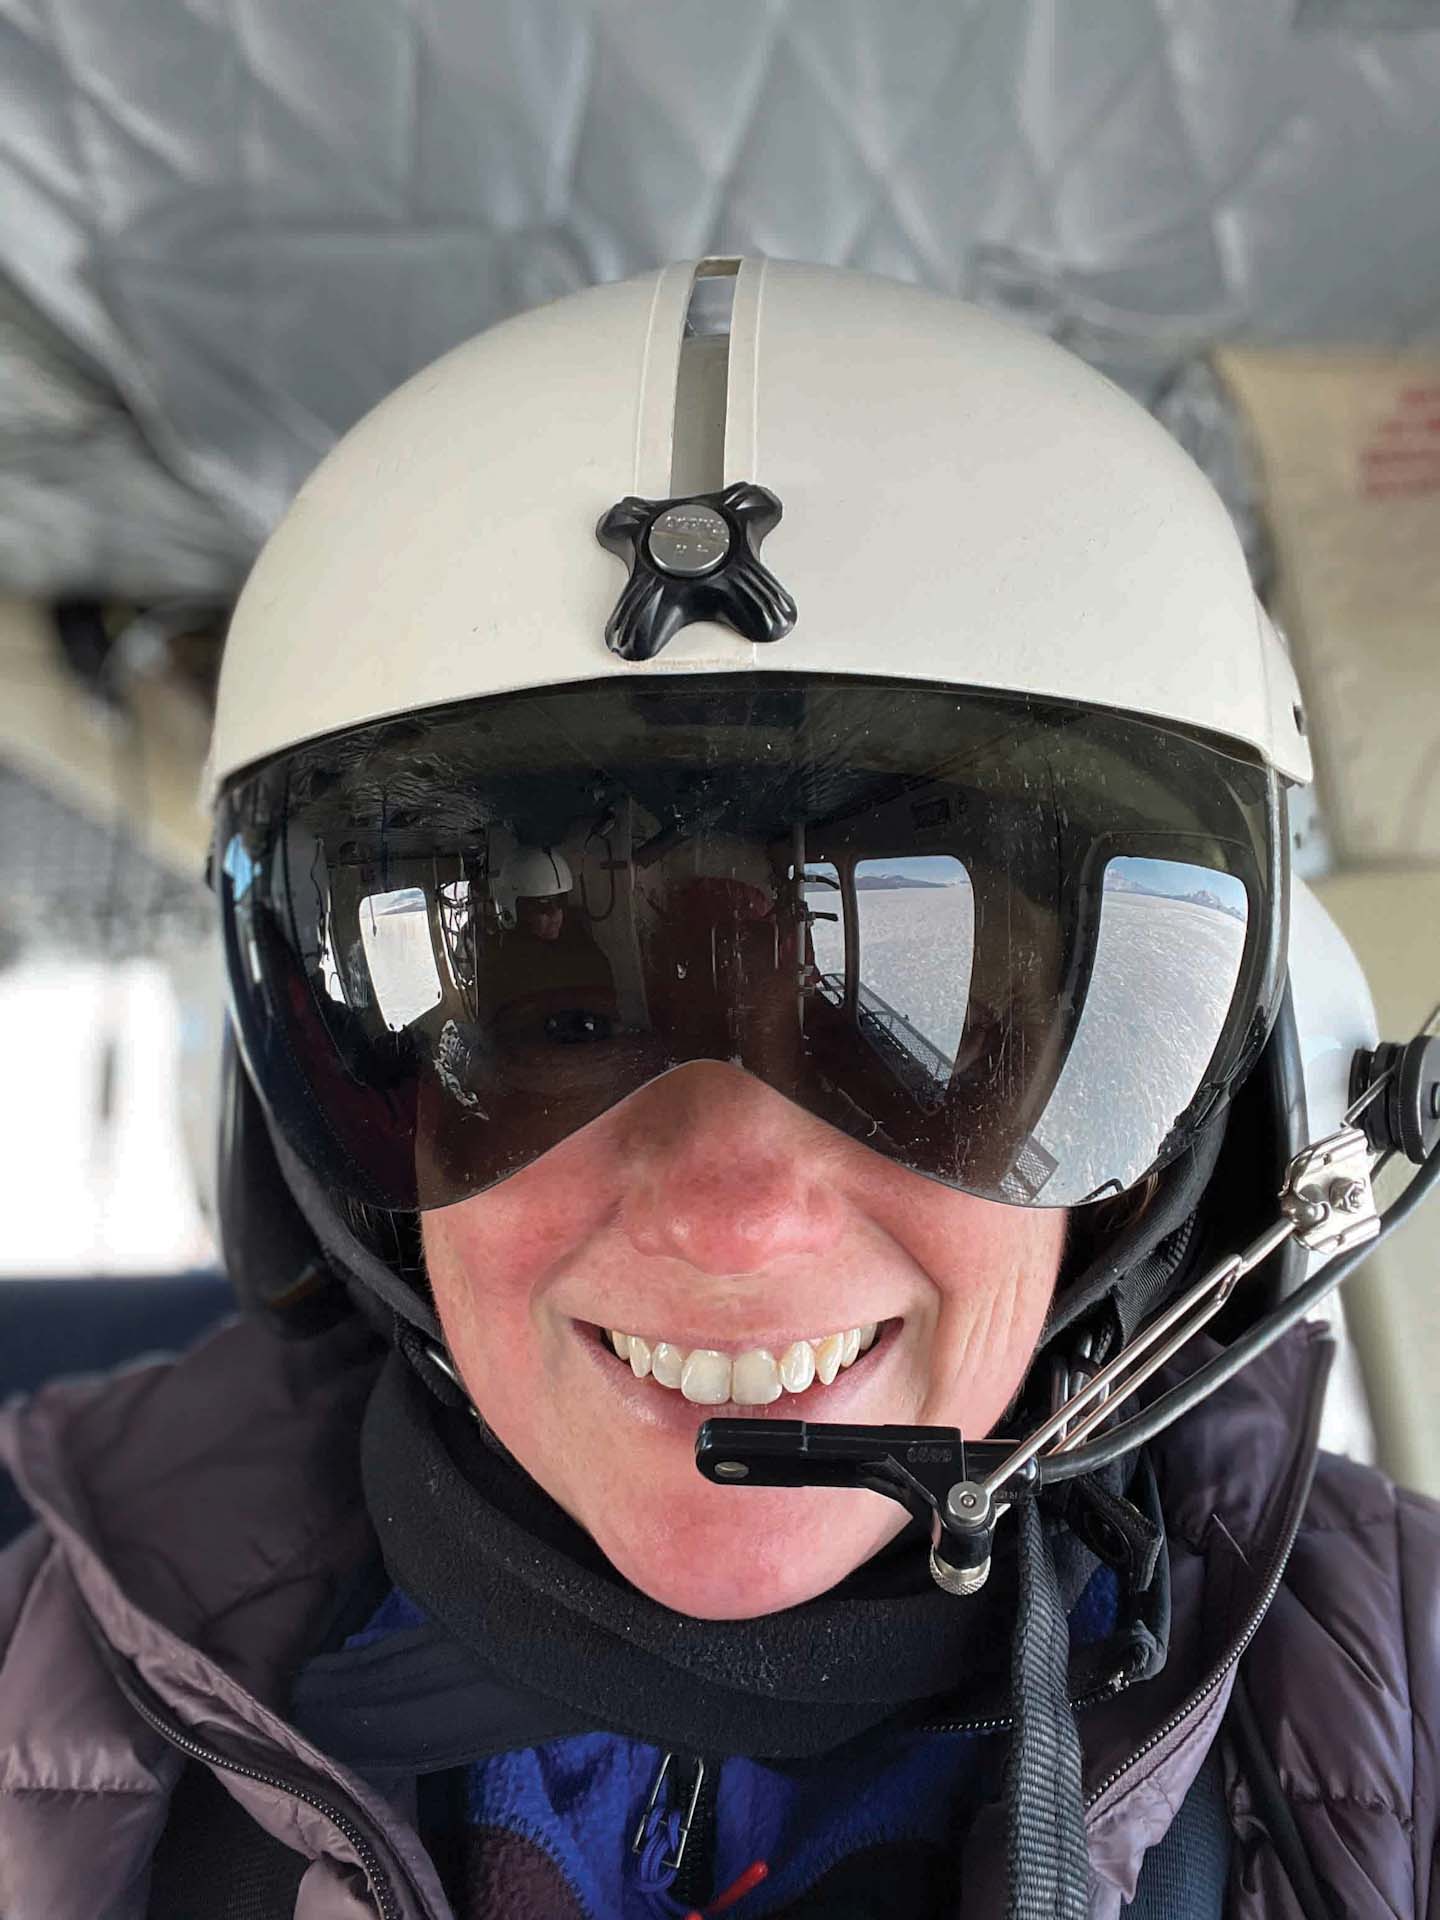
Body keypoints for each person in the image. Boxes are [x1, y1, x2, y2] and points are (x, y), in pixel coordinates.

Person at [1, 258, 1436, 1920]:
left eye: (934, 1019)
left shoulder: (1390, 1694)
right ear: (325, 1119)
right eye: (557, 1015)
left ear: (1198, 1135)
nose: (736, 1215)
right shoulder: (46, 1699)